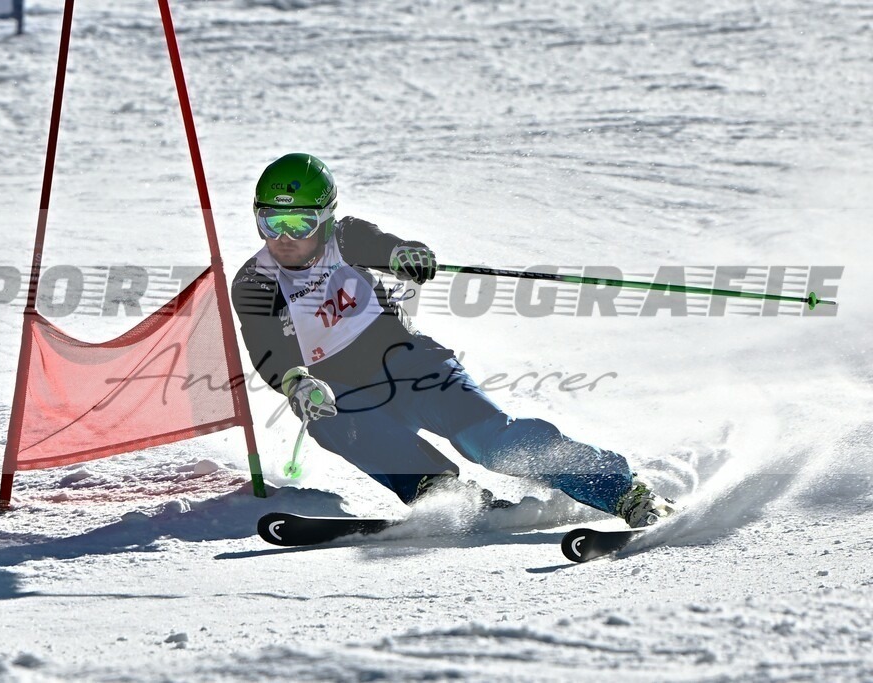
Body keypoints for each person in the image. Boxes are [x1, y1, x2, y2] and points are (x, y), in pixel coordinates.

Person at [231, 153, 674, 527]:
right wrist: (295, 381)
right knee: (325, 416)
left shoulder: (344, 237)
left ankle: (623, 490)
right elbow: (267, 347)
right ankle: (444, 494)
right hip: (344, 391)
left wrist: (403, 253)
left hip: (410, 366)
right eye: (272, 222)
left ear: (326, 218)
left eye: (300, 223)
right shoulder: (254, 281)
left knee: (495, 445)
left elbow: (380, 244)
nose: (284, 238)